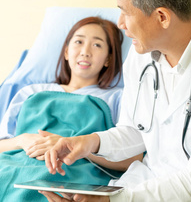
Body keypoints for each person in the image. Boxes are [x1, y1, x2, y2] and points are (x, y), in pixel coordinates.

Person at [43, 0, 191, 202]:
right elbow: (136, 131)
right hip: (143, 183)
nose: (120, 23)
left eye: (126, 12)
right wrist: (90, 142)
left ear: (162, 17)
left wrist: (112, 201)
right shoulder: (141, 57)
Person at [0, 16, 142, 202]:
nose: (85, 51)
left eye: (97, 45)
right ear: (66, 52)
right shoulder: (30, 92)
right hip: (12, 168)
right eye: (78, 42)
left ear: (108, 59)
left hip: (70, 177)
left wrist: (75, 147)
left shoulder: (117, 98)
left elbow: (134, 158)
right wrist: (22, 140)